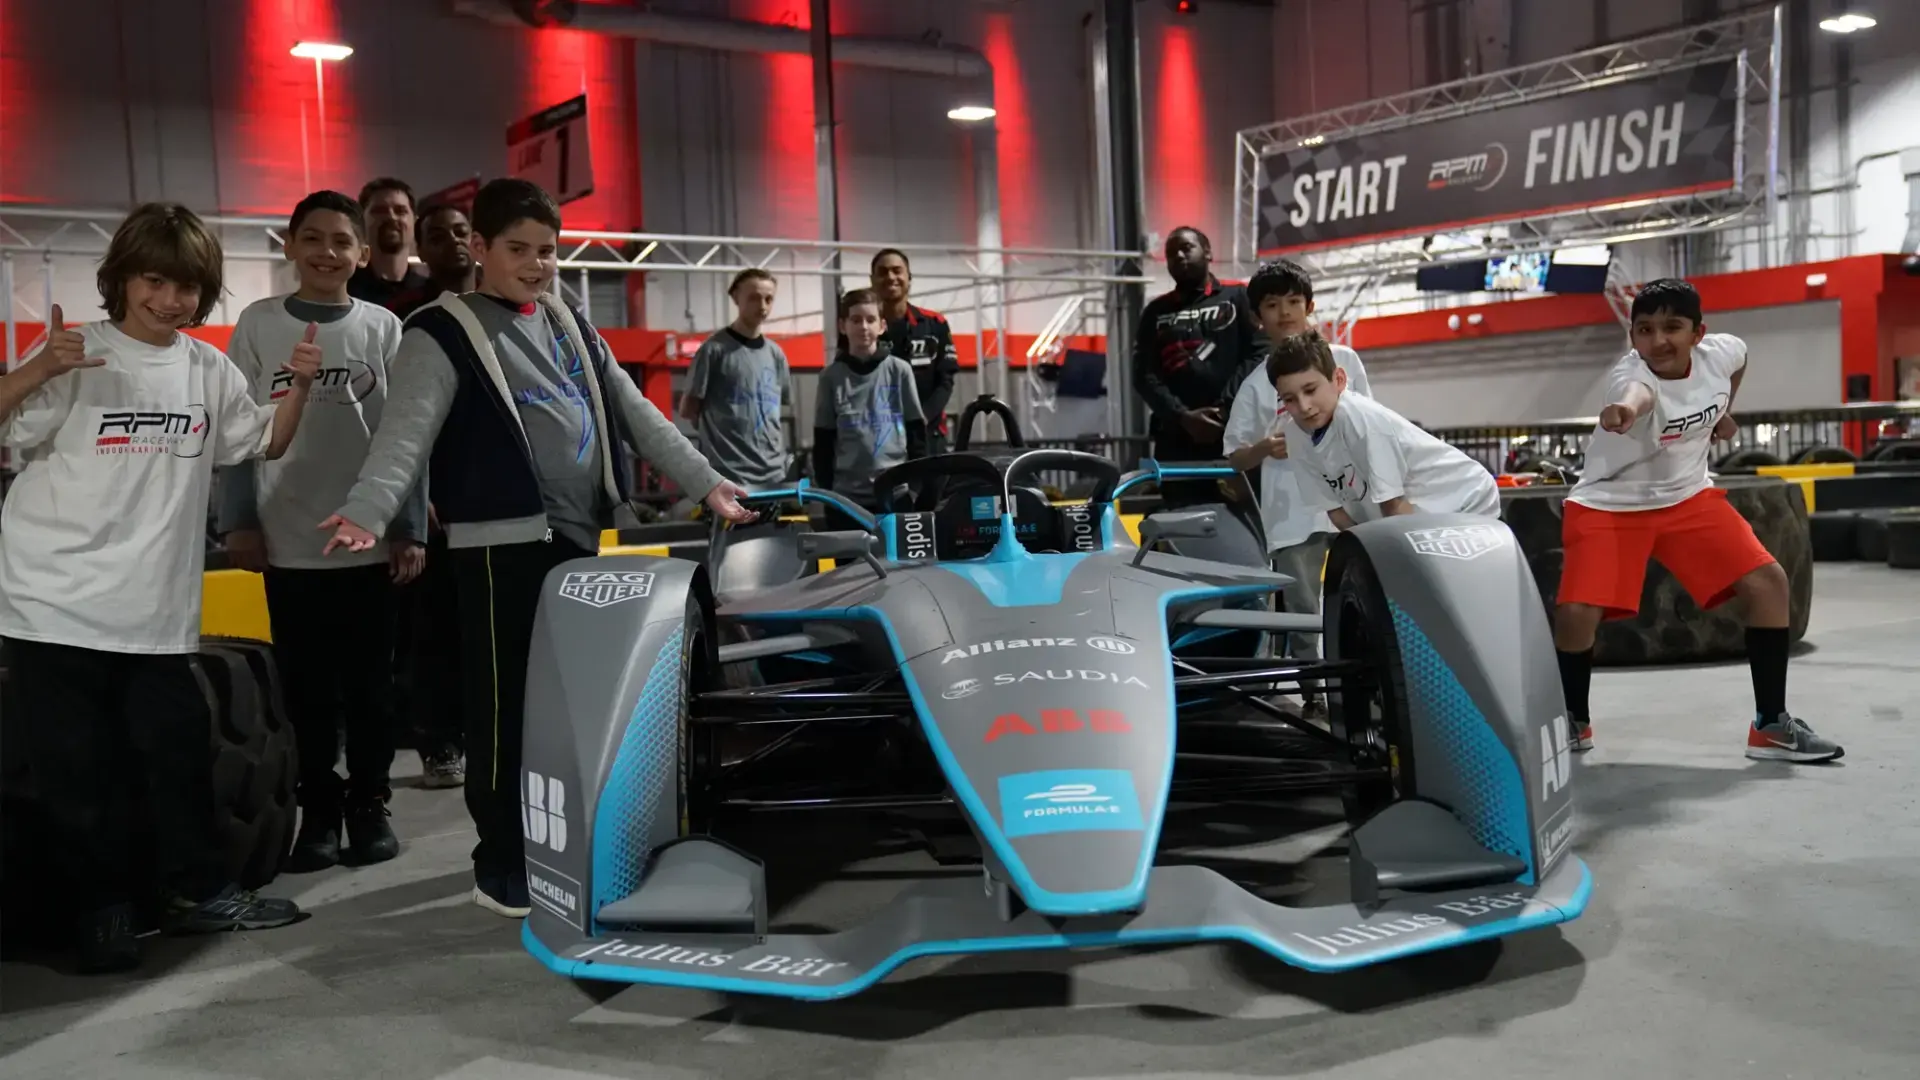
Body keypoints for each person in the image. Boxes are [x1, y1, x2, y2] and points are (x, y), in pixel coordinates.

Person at [316, 178, 754, 917]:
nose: (536, 264)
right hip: (498, 553)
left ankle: (564, 846)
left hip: (578, 541)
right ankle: (500, 859)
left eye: (547, 251)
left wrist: (706, 483)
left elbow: (634, 409)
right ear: (478, 248)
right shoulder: (440, 330)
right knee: (501, 711)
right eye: (517, 250)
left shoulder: (567, 320)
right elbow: (403, 438)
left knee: (569, 709)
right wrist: (370, 510)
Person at [0, 203, 314, 972]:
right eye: (154, 281)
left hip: (156, 610)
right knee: (79, 775)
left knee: (175, 759)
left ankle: (198, 895)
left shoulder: (207, 369)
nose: (170, 301)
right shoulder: (76, 352)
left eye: (187, 288)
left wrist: (299, 385)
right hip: (53, 602)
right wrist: (37, 369)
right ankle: (101, 915)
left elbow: (264, 440)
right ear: (122, 278)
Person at [216, 190, 427, 871]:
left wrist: (408, 526)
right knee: (307, 694)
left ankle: (369, 806)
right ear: (289, 246)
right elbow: (238, 432)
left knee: (370, 691)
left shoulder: (382, 329)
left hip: (366, 543)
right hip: (288, 543)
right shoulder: (256, 324)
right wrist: (241, 522)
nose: (327, 252)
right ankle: (320, 812)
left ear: (363, 254)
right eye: (313, 238)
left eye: (342, 240)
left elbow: (407, 436)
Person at [1553, 279, 1842, 762]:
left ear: (1698, 333)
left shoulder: (1722, 353)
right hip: (1610, 504)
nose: (1657, 340)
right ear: (1633, 339)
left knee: (1768, 582)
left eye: (1672, 327)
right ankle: (1571, 722)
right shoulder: (1633, 377)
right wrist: (1622, 412)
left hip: (1688, 497)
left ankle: (1771, 725)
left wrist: (1723, 411)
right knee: (1577, 612)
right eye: (1644, 330)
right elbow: (1636, 396)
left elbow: (1741, 358)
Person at [1222, 262, 1375, 718]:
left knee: (1364, 599)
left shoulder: (1345, 361)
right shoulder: (1254, 386)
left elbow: (1372, 423)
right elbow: (1234, 455)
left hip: (1355, 504)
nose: (1284, 312)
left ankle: (1370, 687)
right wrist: (1265, 448)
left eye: (1293, 301)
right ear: (1257, 318)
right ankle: (1322, 695)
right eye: (1271, 305)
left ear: (1310, 306)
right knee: (1307, 611)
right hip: (1292, 516)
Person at [391, 199, 480, 788]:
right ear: (422, 249)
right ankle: (439, 743)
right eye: (437, 235)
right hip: (439, 504)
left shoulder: (508, 313)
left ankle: (492, 736)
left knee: (492, 631)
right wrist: (414, 493)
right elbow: (401, 420)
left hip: (501, 504)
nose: (451, 242)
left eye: (459, 231)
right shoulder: (412, 321)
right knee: (436, 633)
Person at [1273, 330, 1499, 526]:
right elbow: (1336, 512)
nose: (1304, 406)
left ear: (1339, 380)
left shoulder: (1356, 416)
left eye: (1311, 390)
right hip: (1416, 517)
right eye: (1290, 399)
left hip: (1467, 500)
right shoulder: (1295, 436)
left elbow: (1395, 508)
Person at [1132, 227, 1262, 508]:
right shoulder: (1154, 313)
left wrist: (1225, 409)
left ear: (1208, 252)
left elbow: (1258, 355)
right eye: (1171, 253)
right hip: (1177, 438)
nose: (1179, 255)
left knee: (1248, 518)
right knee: (1183, 519)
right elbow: (1143, 375)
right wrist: (1183, 416)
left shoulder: (1238, 297)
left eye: (1186, 248)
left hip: (1236, 431)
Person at [813, 288, 927, 531]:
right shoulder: (830, 378)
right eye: (855, 320)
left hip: (896, 496)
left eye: (870, 319)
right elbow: (823, 442)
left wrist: (916, 488)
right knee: (849, 569)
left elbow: (916, 431)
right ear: (842, 326)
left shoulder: (900, 371)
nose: (863, 326)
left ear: (882, 326)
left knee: (903, 568)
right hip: (847, 500)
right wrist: (828, 495)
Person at [679, 267, 792, 489]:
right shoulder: (714, 350)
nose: (762, 306)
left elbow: (779, 409)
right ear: (735, 298)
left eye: (769, 299)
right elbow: (688, 409)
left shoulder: (776, 354)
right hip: (729, 476)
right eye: (754, 298)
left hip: (774, 475)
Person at [869, 249, 959, 452]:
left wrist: (919, 419)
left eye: (896, 271)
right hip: (879, 441)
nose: (890, 277)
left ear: (908, 279)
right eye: (883, 272)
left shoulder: (935, 324)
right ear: (872, 281)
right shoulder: (863, 331)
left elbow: (946, 381)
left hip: (929, 438)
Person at [347, 177, 430, 309]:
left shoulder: (430, 294)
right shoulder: (344, 293)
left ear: (415, 222)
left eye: (400, 211)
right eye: (380, 211)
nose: (391, 217)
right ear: (361, 223)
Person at [392, 201, 479, 321]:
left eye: (461, 233)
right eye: (438, 238)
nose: (454, 240)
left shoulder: (503, 300)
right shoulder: (404, 312)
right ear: (420, 252)